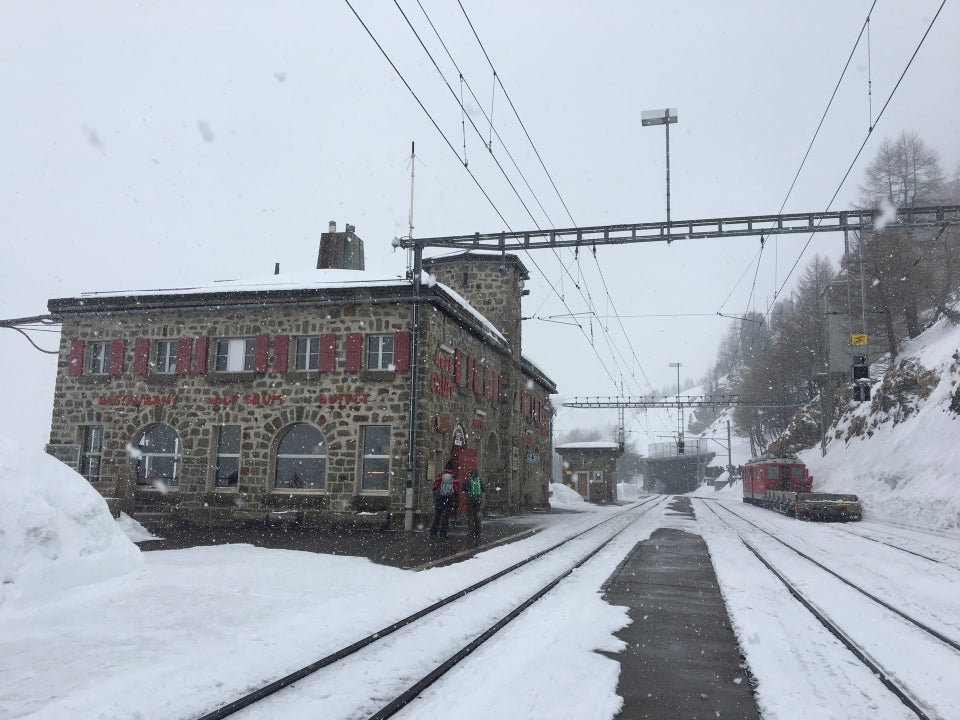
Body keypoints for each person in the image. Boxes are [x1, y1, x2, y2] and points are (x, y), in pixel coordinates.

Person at [429, 460, 459, 538]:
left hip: (440, 498)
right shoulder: (454, 477)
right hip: (449, 499)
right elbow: (456, 489)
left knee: (437, 516)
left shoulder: (440, 476)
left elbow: (435, 486)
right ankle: (443, 534)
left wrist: (436, 495)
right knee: (445, 517)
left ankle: (433, 533)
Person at [464, 467, 484, 537]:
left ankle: (471, 531)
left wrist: (468, 491)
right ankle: (478, 531)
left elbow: (463, 488)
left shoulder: (468, 479)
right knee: (477, 515)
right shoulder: (479, 480)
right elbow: (483, 489)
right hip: (478, 499)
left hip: (470, 499)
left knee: (470, 515)